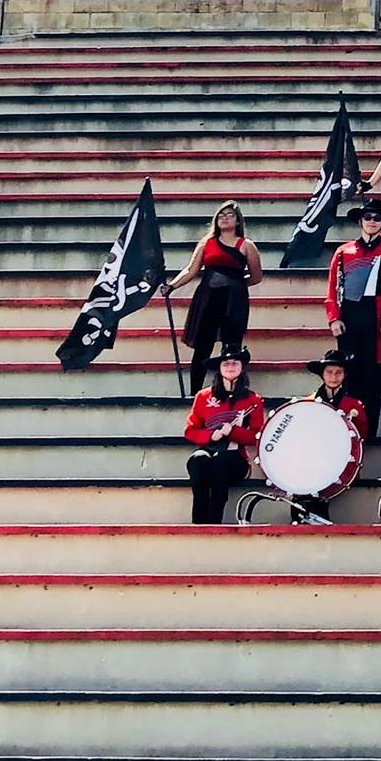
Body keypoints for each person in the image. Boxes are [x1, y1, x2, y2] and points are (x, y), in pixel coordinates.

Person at [323, 198, 381, 439]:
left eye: (377, 218)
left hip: (377, 318)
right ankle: (346, 435)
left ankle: (369, 435)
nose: (372, 222)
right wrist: (333, 318)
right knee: (347, 376)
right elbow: (332, 288)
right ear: (360, 221)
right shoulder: (343, 251)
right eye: (368, 217)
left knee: (372, 379)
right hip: (348, 318)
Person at [164, 200, 263, 400]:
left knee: (232, 347)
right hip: (208, 299)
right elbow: (191, 270)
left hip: (234, 302)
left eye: (230, 215)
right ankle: (195, 393)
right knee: (203, 346)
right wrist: (172, 285)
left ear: (238, 221)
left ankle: (232, 392)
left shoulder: (246, 245)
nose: (225, 218)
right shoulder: (206, 243)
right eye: (221, 215)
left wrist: (234, 285)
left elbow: (256, 276)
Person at [183, 345, 265, 524]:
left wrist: (234, 432)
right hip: (209, 450)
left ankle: (214, 523)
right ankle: (198, 523)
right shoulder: (203, 396)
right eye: (226, 363)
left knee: (222, 461)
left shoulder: (254, 400)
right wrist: (210, 436)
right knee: (198, 461)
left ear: (242, 368)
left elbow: (257, 435)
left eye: (235, 363)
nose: (230, 367)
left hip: (236, 458)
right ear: (219, 369)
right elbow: (190, 431)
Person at [297, 350, 368, 522]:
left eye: (338, 372)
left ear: (344, 375)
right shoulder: (308, 402)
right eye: (329, 372)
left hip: (341, 460)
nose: (334, 377)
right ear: (322, 375)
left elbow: (362, 436)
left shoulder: (354, 405)